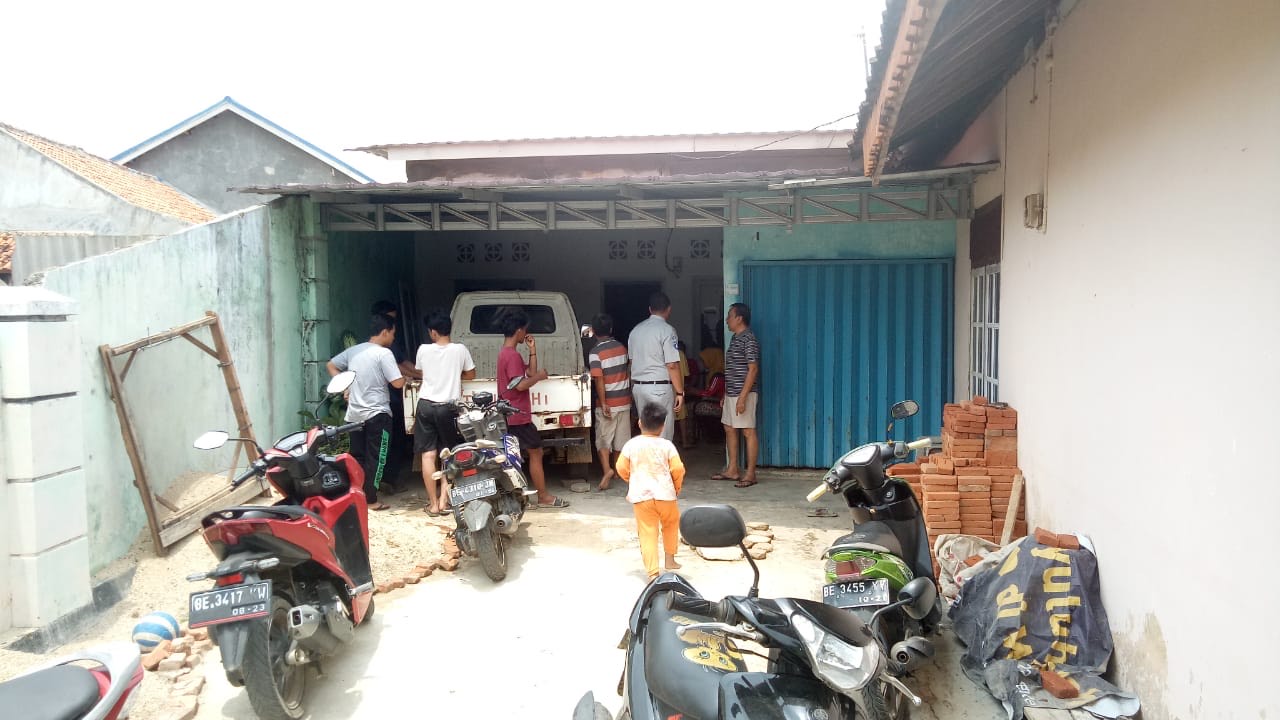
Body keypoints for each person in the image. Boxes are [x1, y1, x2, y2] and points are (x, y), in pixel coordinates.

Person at [327, 313, 406, 510]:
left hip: (354, 416)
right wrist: (406, 378)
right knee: (376, 458)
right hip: (377, 414)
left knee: (357, 458)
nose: (393, 337)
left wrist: (346, 387)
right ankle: (371, 500)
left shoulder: (354, 351)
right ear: (385, 332)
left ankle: (356, 496)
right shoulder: (384, 354)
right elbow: (397, 383)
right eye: (393, 333)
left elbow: (331, 365)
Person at [497, 309, 570, 509]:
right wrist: (540, 377)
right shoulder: (512, 356)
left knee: (514, 457)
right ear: (519, 330)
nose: (526, 333)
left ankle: (518, 498)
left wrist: (532, 350)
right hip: (517, 414)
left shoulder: (506, 353)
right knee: (536, 453)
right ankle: (543, 496)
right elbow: (521, 385)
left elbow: (529, 372)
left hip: (510, 414)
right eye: (525, 330)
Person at [414, 310, 476, 517]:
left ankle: (432, 504)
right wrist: (455, 374)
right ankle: (444, 501)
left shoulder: (423, 350)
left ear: (433, 332)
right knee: (448, 454)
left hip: (425, 405)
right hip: (447, 408)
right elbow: (471, 374)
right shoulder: (460, 350)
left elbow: (422, 372)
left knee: (428, 455)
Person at [616, 403, 686, 580]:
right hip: (666, 495)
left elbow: (620, 467)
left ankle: (653, 572)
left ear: (639, 423)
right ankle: (670, 559)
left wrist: (631, 480)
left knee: (647, 532)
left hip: (642, 497)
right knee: (671, 525)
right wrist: (676, 487)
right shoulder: (667, 445)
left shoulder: (632, 444)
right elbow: (678, 468)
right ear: (662, 426)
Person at [371, 300, 419, 494]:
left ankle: (386, 480)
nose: (394, 326)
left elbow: (403, 362)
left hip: (392, 400)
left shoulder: (390, 343)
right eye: (391, 320)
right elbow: (398, 368)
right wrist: (417, 375)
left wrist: (419, 373)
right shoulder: (381, 348)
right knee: (392, 441)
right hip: (388, 401)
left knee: (393, 440)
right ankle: (387, 480)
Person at [712, 303, 760, 488]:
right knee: (729, 428)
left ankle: (750, 474)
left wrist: (742, 397)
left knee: (748, 431)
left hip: (744, 393)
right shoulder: (735, 338)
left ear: (739, 318)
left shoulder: (749, 339)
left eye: (729, 316)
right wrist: (726, 394)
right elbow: (732, 369)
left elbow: (753, 369)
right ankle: (732, 469)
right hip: (732, 393)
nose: (726, 320)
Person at [626, 292, 684, 442]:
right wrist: (680, 392)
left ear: (650, 309)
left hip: (639, 389)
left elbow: (631, 362)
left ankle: (648, 458)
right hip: (659, 389)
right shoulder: (667, 330)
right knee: (662, 435)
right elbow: (672, 365)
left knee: (647, 433)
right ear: (669, 309)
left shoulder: (635, 330)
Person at [588, 313, 631, 491]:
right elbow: (627, 370)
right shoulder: (621, 347)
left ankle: (607, 470)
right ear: (611, 329)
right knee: (621, 439)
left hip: (608, 403)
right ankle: (619, 470)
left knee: (603, 440)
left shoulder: (595, 352)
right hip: (624, 400)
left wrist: (603, 402)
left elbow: (599, 379)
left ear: (593, 331)